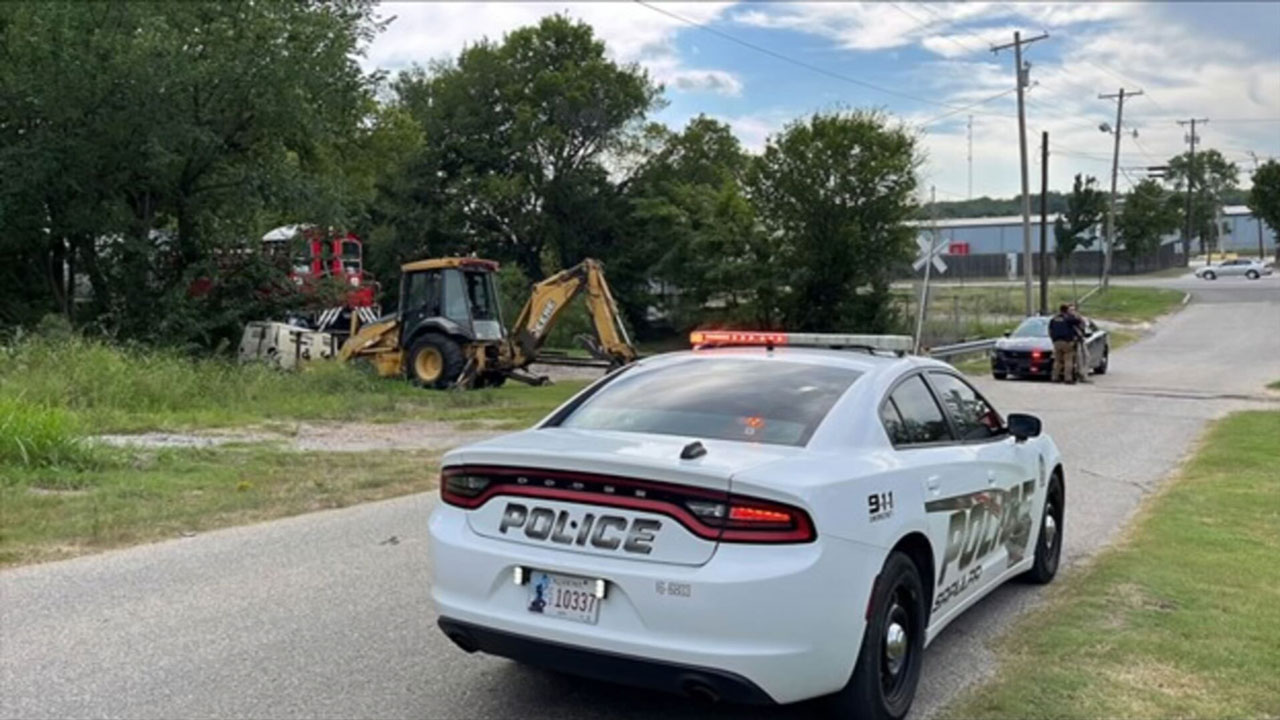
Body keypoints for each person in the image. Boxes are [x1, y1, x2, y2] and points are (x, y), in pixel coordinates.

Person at [1048, 303, 1082, 384]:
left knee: (1057, 360)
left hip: (1056, 342)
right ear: (1067, 310)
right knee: (1068, 360)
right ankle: (1068, 378)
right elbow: (1078, 321)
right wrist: (1075, 314)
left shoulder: (1054, 319)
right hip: (1067, 342)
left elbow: (1050, 330)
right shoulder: (1068, 318)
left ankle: (1055, 377)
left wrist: (1053, 340)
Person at [1069, 304, 1090, 383]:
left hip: (1081, 340)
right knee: (1079, 359)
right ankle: (1081, 375)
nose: (1072, 312)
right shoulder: (1068, 320)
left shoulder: (1080, 319)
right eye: (1071, 310)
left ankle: (1084, 373)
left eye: (1074, 310)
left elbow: (1084, 328)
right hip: (1074, 341)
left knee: (1087, 356)